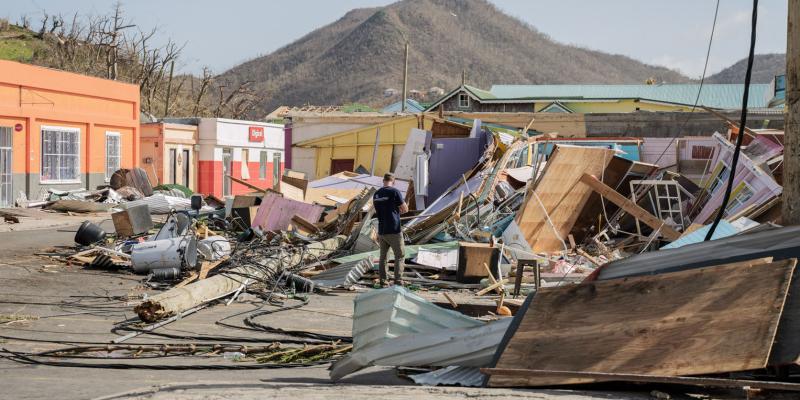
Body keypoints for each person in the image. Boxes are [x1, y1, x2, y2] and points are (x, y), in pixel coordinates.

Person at [373, 173, 408, 286]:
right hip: (394, 229)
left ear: (383, 181)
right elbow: (405, 209)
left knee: (383, 257)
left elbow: (379, 210)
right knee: (400, 255)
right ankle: (398, 281)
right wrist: (399, 208)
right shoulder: (395, 192)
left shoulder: (376, 194)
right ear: (394, 181)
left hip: (382, 230)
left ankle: (383, 281)